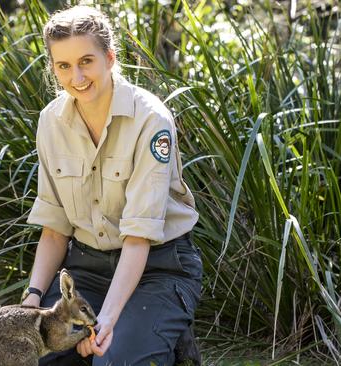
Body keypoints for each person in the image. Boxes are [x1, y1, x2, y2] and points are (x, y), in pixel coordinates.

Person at [22, 5, 203, 366]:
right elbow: (55, 231)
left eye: (86, 61)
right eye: (64, 66)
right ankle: (144, 332)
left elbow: (138, 239)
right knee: (33, 355)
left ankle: (160, 331)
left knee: (114, 359)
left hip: (157, 267)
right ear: (54, 68)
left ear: (109, 57)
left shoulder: (151, 120)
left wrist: (105, 321)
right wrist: (31, 300)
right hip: (87, 270)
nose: (77, 76)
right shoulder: (50, 122)